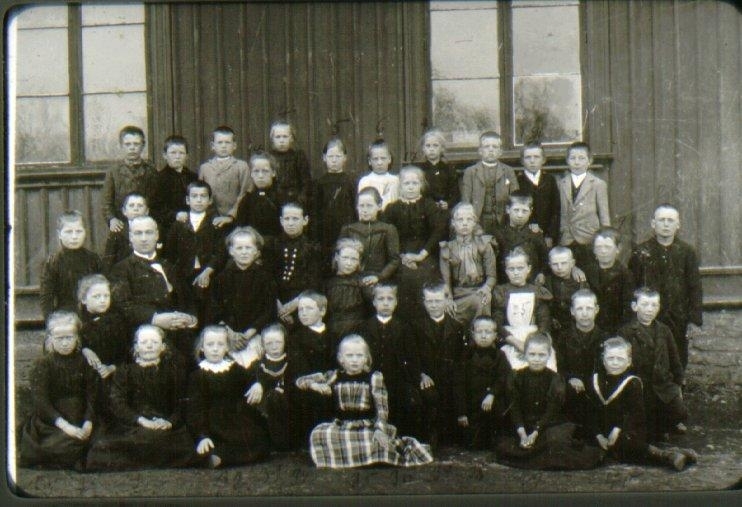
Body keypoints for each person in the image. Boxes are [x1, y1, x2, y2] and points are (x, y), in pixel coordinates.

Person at [305, 335, 434, 468]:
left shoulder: (373, 377)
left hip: (366, 426)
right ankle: (360, 457)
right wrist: (314, 385)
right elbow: (301, 381)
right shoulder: (334, 375)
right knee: (319, 433)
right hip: (343, 425)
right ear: (341, 358)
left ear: (366, 358)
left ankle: (369, 456)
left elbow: (382, 408)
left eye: (359, 356)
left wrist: (380, 429)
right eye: (349, 356)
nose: (354, 360)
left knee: (375, 440)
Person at [85, 325, 194, 471]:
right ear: (136, 347)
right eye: (144, 342)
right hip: (134, 426)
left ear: (163, 347)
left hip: (165, 426)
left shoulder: (173, 372)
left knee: (177, 443)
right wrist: (141, 421)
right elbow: (118, 404)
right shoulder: (125, 372)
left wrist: (169, 422)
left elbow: (181, 403)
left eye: (154, 342)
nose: (149, 346)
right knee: (106, 447)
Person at [584, 337, 698, 471]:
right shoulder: (595, 380)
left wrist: (617, 430)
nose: (615, 362)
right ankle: (677, 452)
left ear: (628, 362)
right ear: (603, 360)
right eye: (610, 358)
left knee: (628, 447)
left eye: (620, 359)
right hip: (602, 430)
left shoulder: (632, 382)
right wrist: (598, 435)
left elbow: (634, 413)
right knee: (590, 443)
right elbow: (590, 411)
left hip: (627, 428)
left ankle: (667, 456)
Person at [495, 333, 602, 470]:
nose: (536, 359)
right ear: (525, 354)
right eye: (532, 354)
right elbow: (514, 407)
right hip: (523, 424)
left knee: (555, 442)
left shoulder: (555, 379)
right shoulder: (516, 376)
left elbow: (552, 410)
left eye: (541, 355)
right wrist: (522, 434)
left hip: (547, 424)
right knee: (505, 445)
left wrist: (535, 433)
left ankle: (539, 454)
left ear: (549, 355)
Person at [109, 216, 198, 357]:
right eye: (138, 233)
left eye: (149, 232)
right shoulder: (121, 269)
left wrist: (190, 319)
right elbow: (123, 306)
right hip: (144, 340)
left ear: (157, 235)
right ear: (131, 237)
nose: (144, 238)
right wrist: (155, 319)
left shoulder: (170, 267)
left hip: (178, 339)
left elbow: (187, 300)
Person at [629, 204, 702, 370]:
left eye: (670, 220)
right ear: (653, 224)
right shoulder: (641, 252)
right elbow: (633, 287)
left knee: (677, 357)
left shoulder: (687, 252)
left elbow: (695, 287)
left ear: (678, 224)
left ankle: (677, 385)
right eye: (662, 220)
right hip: (649, 316)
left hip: (678, 317)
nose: (666, 224)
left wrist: (694, 320)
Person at [19, 311, 97, 470]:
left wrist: (88, 422)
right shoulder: (43, 364)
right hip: (53, 421)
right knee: (59, 445)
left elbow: (92, 395)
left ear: (77, 338)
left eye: (69, 337)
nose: (65, 343)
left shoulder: (84, 362)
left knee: (97, 442)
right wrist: (66, 427)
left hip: (81, 416)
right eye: (59, 338)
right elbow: (41, 402)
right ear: (50, 339)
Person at [187, 325, 270, 467]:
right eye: (210, 345)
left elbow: (250, 377)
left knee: (255, 439)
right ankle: (216, 457)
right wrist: (202, 435)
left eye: (220, 344)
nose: (215, 349)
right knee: (213, 442)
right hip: (211, 421)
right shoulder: (197, 375)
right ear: (202, 348)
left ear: (226, 348)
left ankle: (223, 457)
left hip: (235, 417)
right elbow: (195, 408)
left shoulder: (233, 368)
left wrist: (257, 384)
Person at [356, 283, 431, 439]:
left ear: (396, 302)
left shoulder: (404, 327)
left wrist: (416, 376)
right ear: (374, 302)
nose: (385, 303)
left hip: (398, 379)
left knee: (410, 402)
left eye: (389, 299)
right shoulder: (364, 327)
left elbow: (412, 357)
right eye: (381, 299)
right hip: (370, 380)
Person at [618, 288, 687, 441]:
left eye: (654, 305)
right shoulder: (626, 332)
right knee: (645, 424)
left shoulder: (664, 330)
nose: (650, 309)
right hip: (641, 386)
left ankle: (667, 423)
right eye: (645, 304)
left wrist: (678, 385)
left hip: (663, 384)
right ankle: (656, 429)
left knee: (680, 412)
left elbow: (675, 359)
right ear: (634, 306)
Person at [383, 165, 447, 316]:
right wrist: (402, 257)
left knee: (425, 275)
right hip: (400, 255)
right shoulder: (392, 208)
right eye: (407, 183)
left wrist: (421, 255)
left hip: (425, 253)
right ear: (400, 185)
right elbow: (388, 236)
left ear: (421, 185)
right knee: (405, 278)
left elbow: (438, 231)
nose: (411, 187)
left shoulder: (428, 205)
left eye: (415, 183)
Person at [411, 282, 467, 447]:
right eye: (429, 301)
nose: (434, 305)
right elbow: (411, 355)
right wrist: (421, 374)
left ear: (446, 301)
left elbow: (460, 358)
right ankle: (431, 435)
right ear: (424, 302)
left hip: (449, 376)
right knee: (429, 397)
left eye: (437, 301)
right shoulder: (415, 326)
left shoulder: (456, 327)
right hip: (427, 376)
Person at [163, 181, 225, 325]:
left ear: (210, 200)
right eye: (194, 196)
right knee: (186, 309)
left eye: (203, 196)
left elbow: (221, 253)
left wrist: (208, 271)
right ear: (187, 200)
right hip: (183, 275)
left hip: (208, 273)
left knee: (207, 310)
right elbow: (170, 252)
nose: (198, 200)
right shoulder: (179, 224)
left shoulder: (215, 224)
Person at [210, 226, 277, 357]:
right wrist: (231, 334)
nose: (244, 252)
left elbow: (268, 311)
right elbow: (214, 311)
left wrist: (247, 336)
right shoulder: (221, 279)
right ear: (231, 251)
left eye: (248, 248)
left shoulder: (265, 278)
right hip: (227, 335)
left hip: (255, 335)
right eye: (239, 248)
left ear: (256, 251)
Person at [492, 247, 555, 371]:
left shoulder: (537, 291)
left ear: (529, 269)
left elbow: (544, 321)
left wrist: (531, 346)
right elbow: (497, 322)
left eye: (520, 268)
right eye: (511, 269)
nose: (516, 272)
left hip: (534, 338)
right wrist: (516, 343)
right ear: (506, 271)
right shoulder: (501, 291)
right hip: (510, 338)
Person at [453, 316, 512, 450]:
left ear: (495, 335)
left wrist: (492, 393)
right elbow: (458, 385)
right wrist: (462, 412)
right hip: (472, 407)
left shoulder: (499, 356)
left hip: (492, 405)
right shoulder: (465, 355)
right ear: (473, 334)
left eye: (488, 332)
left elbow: (503, 377)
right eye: (479, 332)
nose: (484, 336)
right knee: (472, 444)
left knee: (497, 441)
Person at [245, 323, 305, 451]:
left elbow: (296, 381)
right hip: (265, 407)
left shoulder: (292, 362)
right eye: (269, 343)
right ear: (262, 345)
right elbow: (247, 381)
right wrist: (257, 383)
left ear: (285, 342)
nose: (274, 346)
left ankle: (288, 443)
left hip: (288, 405)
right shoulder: (257, 365)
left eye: (278, 342)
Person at [553, 289, 607, 427]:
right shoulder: (563, 337)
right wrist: (570, 377)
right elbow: (559, 365)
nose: (584, 313)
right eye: (579, 309)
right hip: (572, 388)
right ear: (572, 311)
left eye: (589, 308)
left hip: (597, 387)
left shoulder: (605, 337)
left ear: (596, 309)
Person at [263, 203, 323, 324]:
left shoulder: (312, 247)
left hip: (302, 301)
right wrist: (278, 306)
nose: (290, 223)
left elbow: (314, 281)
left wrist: (295, 304)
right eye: (287, 219)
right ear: (281, 221)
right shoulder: (273, 245)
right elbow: (267, 276)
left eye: (295, 219)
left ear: (305, 220)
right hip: (275, 301)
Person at [40, 210, 104, 320]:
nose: (74, 236)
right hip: (65, 317)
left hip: (91, 316)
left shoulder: (93, 259)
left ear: (85, 232)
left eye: (79, 231)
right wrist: (52, 322)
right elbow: (47, 299)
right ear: (59, 234)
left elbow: (102, 290)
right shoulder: (53, 262)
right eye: (69, 232)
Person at [439, 203, 497, 323]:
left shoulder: (484, 245)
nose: (464, 223)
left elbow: (492, 275)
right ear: (453, 223)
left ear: (474, 222)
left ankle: (480, 332)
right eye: (460, 220)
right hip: (458, 294)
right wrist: (448, 298)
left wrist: (487, 288)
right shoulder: (447, 248)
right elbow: (445, 278)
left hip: (479, 290)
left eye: (469, 219)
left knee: (482, 300)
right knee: (447, 310)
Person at [557, 141, 610, 269]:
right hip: (567, 238)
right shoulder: (561, 183)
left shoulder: (598, 184)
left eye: (581, 158)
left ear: (589, 161)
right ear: (567, 161)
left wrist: (605, 238)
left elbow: (604, 215)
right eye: (572, 158)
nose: (577, 162)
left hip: (588, 238)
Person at [340, 187, 400, 287]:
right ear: (357, 207)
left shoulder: (388, 229)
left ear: (379, 206)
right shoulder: (348, 229)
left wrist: (379, 277)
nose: (365, 210)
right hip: (352, 278)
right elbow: (340, 256)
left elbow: (394, 260)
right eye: (361, 206)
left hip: (379, 279)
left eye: (369, 206)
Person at [101, 125, 157, 234]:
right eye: (128, 144)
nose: (132, 148)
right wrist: (111, 219)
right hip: (121, 224)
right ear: (121, 146)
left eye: (136, 144)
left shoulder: (150, 171)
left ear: (143, 145)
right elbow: (106, 201)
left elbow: (156, 200)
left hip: (145, 223)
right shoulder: (114, 172)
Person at [311, 137, 356, 270]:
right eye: (331, 156)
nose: (334, 160)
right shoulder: (319, 183)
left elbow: (354, 206)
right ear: (324, 158)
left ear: (345, 158)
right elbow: (315, 209)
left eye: (338, 156)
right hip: (325, 230)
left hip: (345, 227)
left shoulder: (350, 181)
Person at [460, 131, 519, 234]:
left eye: (495, 147)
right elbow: (466, 200)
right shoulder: (471, 171)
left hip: (503, 220)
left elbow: (515, 198)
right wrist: (473, 223)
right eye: (486, 146)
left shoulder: (508, 171)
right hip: (479, 220)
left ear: (500, 152)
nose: (491, 150)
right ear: (480, 151)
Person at [198, 125, 253, 229]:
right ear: (212, 145)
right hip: (211, 220)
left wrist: (231, 216)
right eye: (220, 142)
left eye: (227, 142)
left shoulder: (241, 166)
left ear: (234, 145)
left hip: (236, 220)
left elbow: (244, 194)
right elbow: (201, 194)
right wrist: (212, 216)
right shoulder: (205, 168)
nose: (223, 146)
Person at [77, 274, 130, 381]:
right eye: (97, 296)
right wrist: (84, 350)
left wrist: (112, 368)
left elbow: (125, 352)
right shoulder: (78, 321)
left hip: (112, 372)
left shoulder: (116, 321)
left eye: (106, 296)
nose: (103, 300)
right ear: (83, 299)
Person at [583, 226, 634, 334]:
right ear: (594, 250)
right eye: (599, 247)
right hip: (591, 329)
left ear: (618, 249)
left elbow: (627, 308)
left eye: (608, 247)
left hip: (615, 328)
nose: (603, 251)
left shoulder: (625, 275)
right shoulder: (587, 272)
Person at [493, 191, 548, 283]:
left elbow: (544, 257)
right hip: (505, 283)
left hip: (530, 281)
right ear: (508, 209)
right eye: (516, 210)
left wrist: (542, 273)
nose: (520, 215)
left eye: (524, 211)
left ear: (531, 211)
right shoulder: (499, 234)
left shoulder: (535, 234)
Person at [149, 134, 198, 239]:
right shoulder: (159, 179)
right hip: (169, 229)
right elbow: (155, 208)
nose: (177, 156)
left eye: (181, 153)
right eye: (173, 153)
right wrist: (175, 215)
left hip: (192, 225)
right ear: (165, 155)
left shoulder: (193, 177)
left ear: (187, 156)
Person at [325, 237, 372, 338]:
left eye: (354, 259)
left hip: (357, 332)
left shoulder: (363, 282)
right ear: (337, 257)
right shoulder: (328, 283)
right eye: (345, 258)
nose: (349, 263)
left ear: (359, 261)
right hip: (332, 331)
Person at [515, 141, 560, 248]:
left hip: (546, 236)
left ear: (543, 160)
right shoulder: (517, 180)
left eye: (536, 157)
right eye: (528, 157)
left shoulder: (550, 180)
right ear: (522, 161)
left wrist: (550, 235)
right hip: (524, 235)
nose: (532, 161)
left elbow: (556, 210)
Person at [234, 151, 287, 238]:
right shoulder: (246, 201)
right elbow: (241, 229)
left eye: (265, 171)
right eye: (256, 171)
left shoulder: (283, 198)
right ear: (251, 173)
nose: (260, 176)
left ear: (273, 173)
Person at [542, 246, 588, 337]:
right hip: (553, 326)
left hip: (575, 326)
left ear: (572, 263)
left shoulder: (580, 282)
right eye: (555, 264)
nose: (559, 267)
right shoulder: (547, 281)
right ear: (549, 265)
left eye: (564, 263)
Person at [267, 120, 312, 206]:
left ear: (291, 138)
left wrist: (301, 200)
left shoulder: (298, 156)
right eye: (278, 137)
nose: (281, 140)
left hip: (295, 200)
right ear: (272, 139)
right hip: (273, 201)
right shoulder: (268, 158)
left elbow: (306, 181)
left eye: (285, 137)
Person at [103, 192, 149, 270]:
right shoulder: (118, 231)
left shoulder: (153, 230)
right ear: (124, 211)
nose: (136, 209)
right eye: (131, 205)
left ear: (147, 211)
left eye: (140, 206)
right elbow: (108, 261)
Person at [418, 128, 459, 211]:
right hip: (424, 210)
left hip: (444, 210)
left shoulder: (448, 169)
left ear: (442, 148)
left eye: (435, 145)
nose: (431, 149)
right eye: (428, 146)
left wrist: (448, 203)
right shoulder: (419, 170)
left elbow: (456, 194)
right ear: (423, 149)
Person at [357, 139, 399, 211]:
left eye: (383, 158)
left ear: (389, 159)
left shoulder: (395, 180)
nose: (379, 162)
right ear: (369, 161)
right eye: (375, 159)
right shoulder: (365, 181)